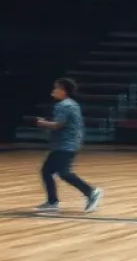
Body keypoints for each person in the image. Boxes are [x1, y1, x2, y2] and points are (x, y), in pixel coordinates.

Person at [35, 77, 102, 212]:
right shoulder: (71, 104)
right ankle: (52, 202)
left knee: (64, 173)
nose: (53, 90)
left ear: (63, 91)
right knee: (46, 171)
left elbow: (59, 124)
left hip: (65, 145)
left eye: (56, 88)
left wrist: (42, 123)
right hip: (67, 144)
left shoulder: (64, 105)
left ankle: (91, 192)